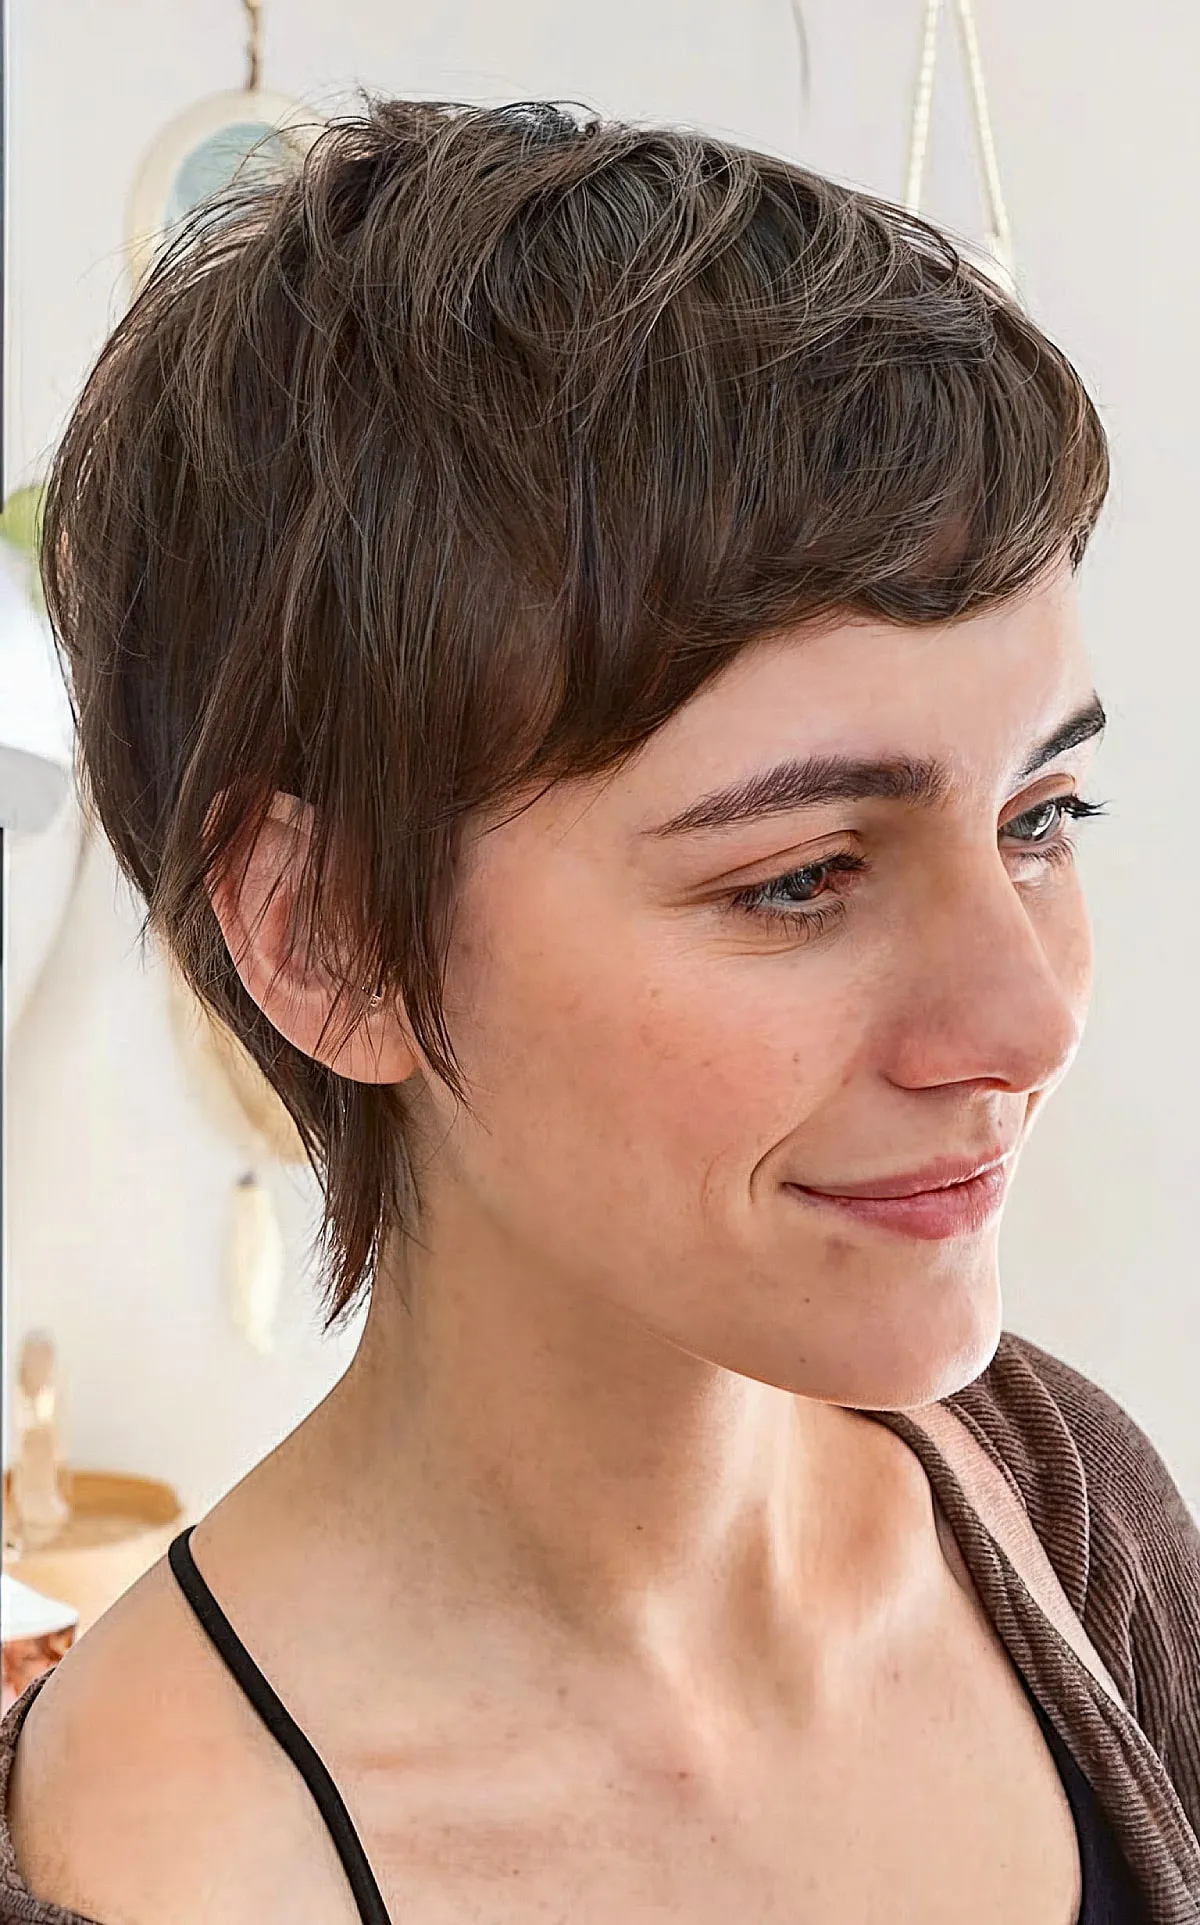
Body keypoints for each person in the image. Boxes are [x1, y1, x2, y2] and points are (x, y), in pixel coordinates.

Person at [1, 96, 1196, 1925]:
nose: (1025, 1021)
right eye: (799, 878)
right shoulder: (169, 1863)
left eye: (1043, 820)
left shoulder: (1064, 1515)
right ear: (329, 941)